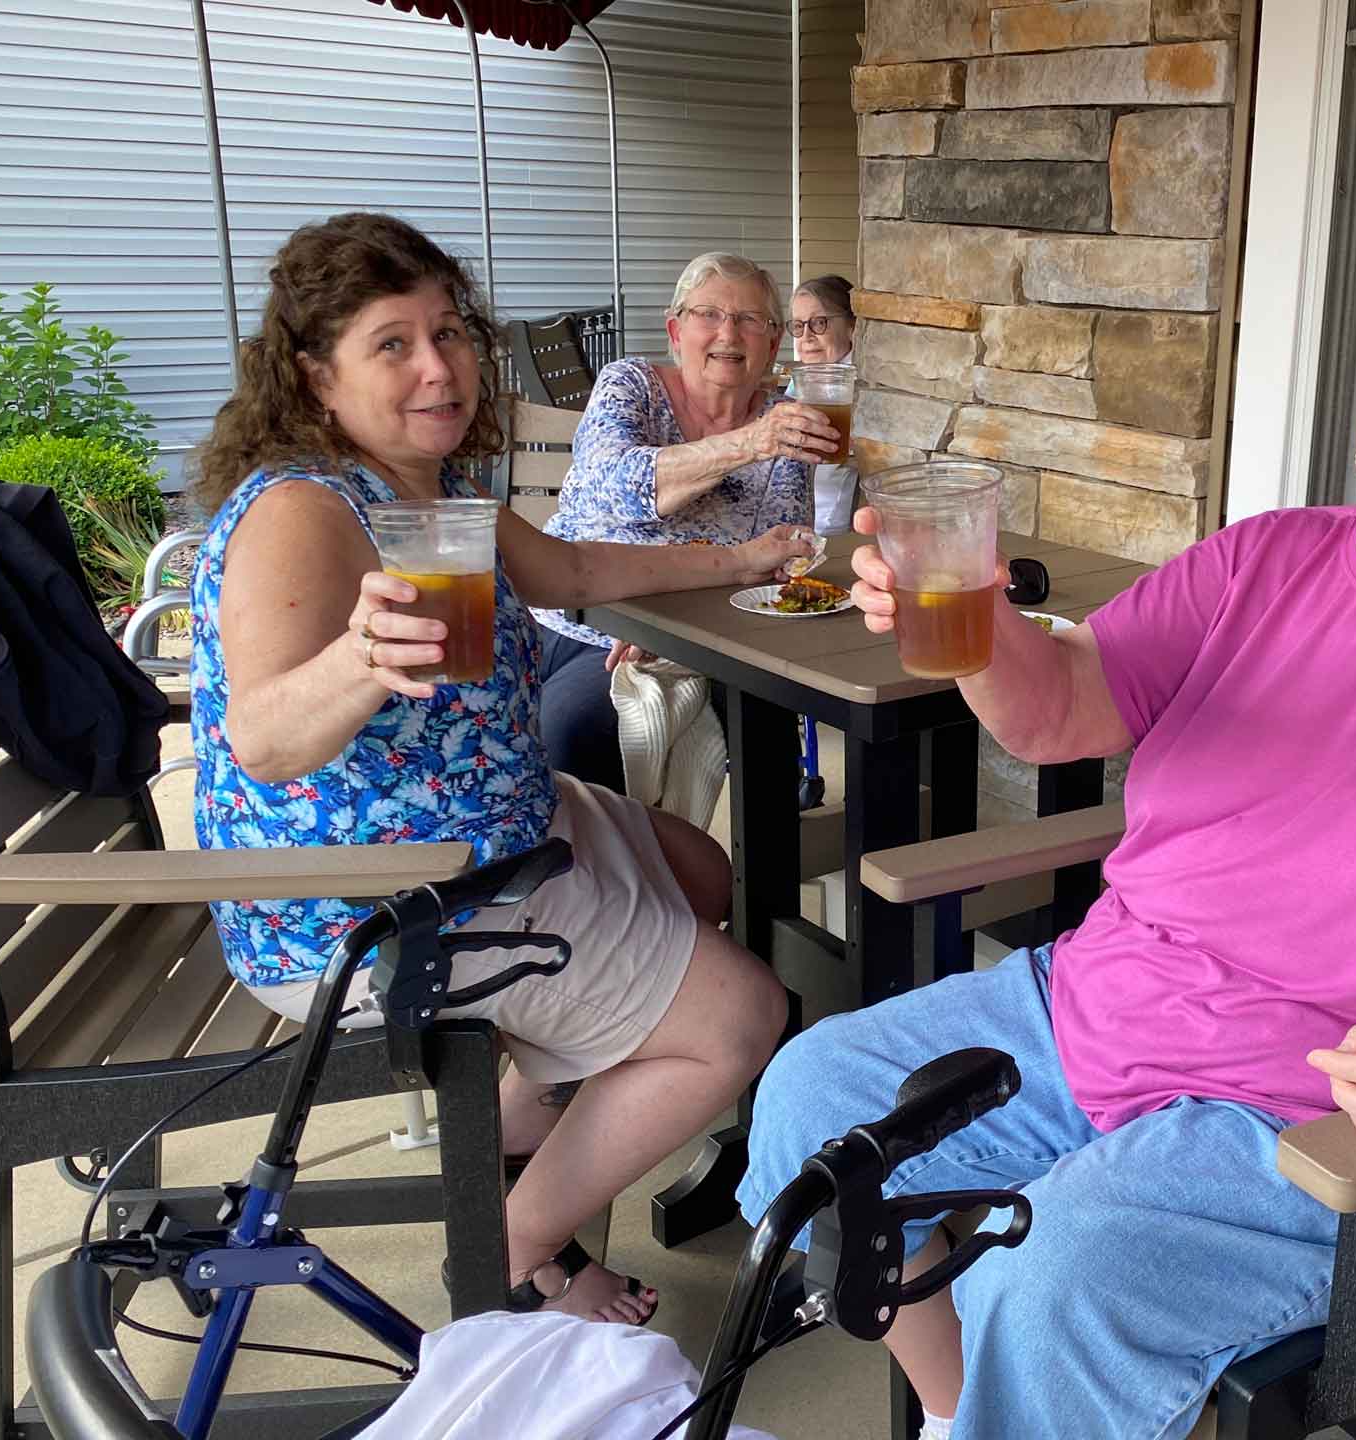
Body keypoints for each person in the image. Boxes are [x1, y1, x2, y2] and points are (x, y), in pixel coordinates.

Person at [734, 231, 1356, 1439]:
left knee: (1059, 1273)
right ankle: (968, 1418)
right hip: (1104, 1012)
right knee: (816, 1100)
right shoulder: (1267, 560)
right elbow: (1064, 710)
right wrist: (983, 629)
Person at [185, 213, 805, 1326]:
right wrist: (361, 660)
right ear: (317, 376)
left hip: (487, 828)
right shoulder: (304, 510)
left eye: (449, 333)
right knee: (742, 1018)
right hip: (375, 898)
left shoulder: (430, 488)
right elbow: (264, 740)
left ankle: (520, 1121)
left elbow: (573, 568)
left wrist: (742, 558)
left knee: (701, 875)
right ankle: (515, 1243)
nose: (439, 368)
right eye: (392, 344)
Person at [531, 253, 840, 792]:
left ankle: (740, 850)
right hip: (574, 619)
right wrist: (750, 443)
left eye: (750, 319)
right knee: (555, 730)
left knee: (763, 721)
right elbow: (611, 486)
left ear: (772, 345)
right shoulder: (631, 385)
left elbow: (779, 563)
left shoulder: (786, 422)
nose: (729, 333)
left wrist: (672, 630)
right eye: (709, 314)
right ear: (676, 331)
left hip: (694, 635)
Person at [787, 274, 858, 536]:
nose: (806, 336)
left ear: (852, 327)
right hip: (791, 520)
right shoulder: (807, 376)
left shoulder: (852, 381)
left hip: (825, 525)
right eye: (798, 326)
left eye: (819, 323)